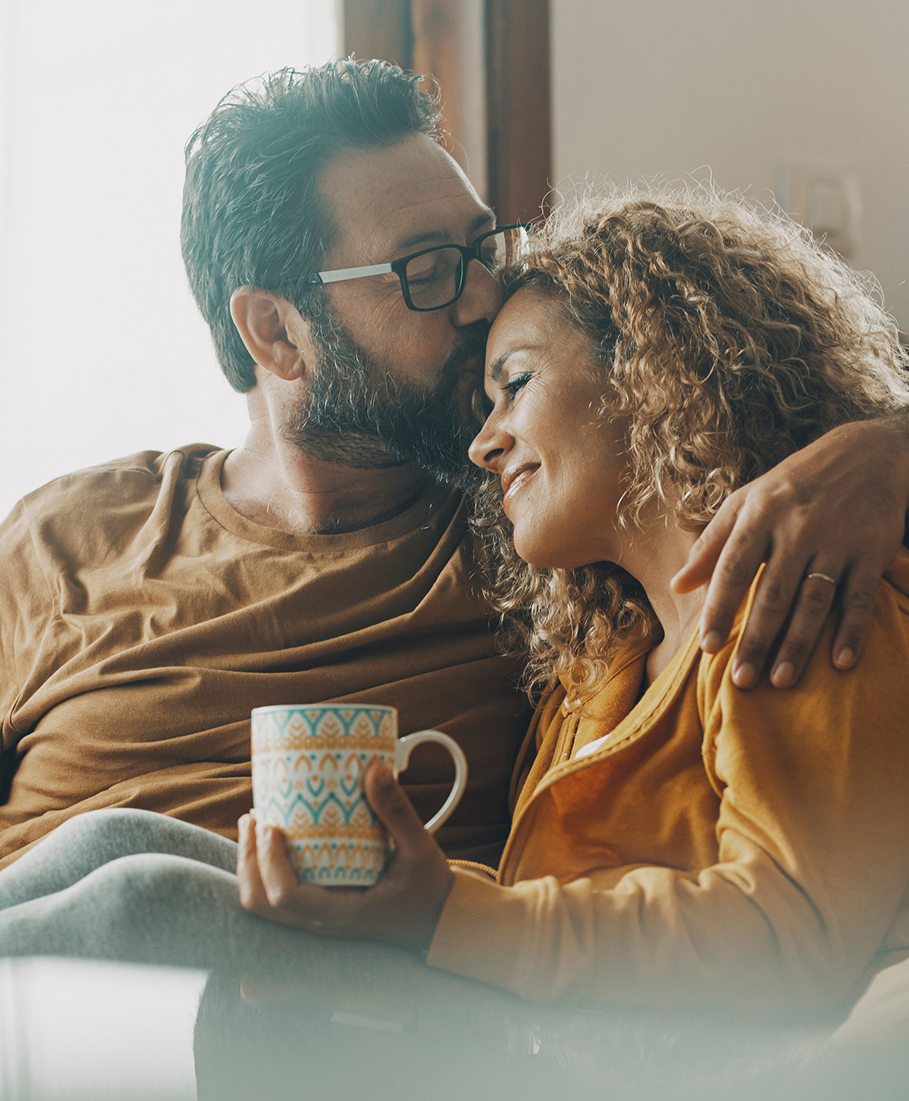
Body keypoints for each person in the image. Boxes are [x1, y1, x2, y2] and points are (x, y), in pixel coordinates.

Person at [0, 59, 907, 937]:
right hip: (45, 1006)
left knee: (137, 890)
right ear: (276, 331)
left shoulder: (541, 535)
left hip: (352, 1001)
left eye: (482, 248)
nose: (483, 297)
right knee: (108, 848)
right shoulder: (63, 538)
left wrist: (884, 448)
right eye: (427, 269)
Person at [232, 187, 909, 1017]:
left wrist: (443, 914)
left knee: (153, 885)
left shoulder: (799, 604)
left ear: (653, 368)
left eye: (513, 384)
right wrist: (405, 896)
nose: (483, 443)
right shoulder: (596, 675)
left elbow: (785, 938)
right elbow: (551, 911)